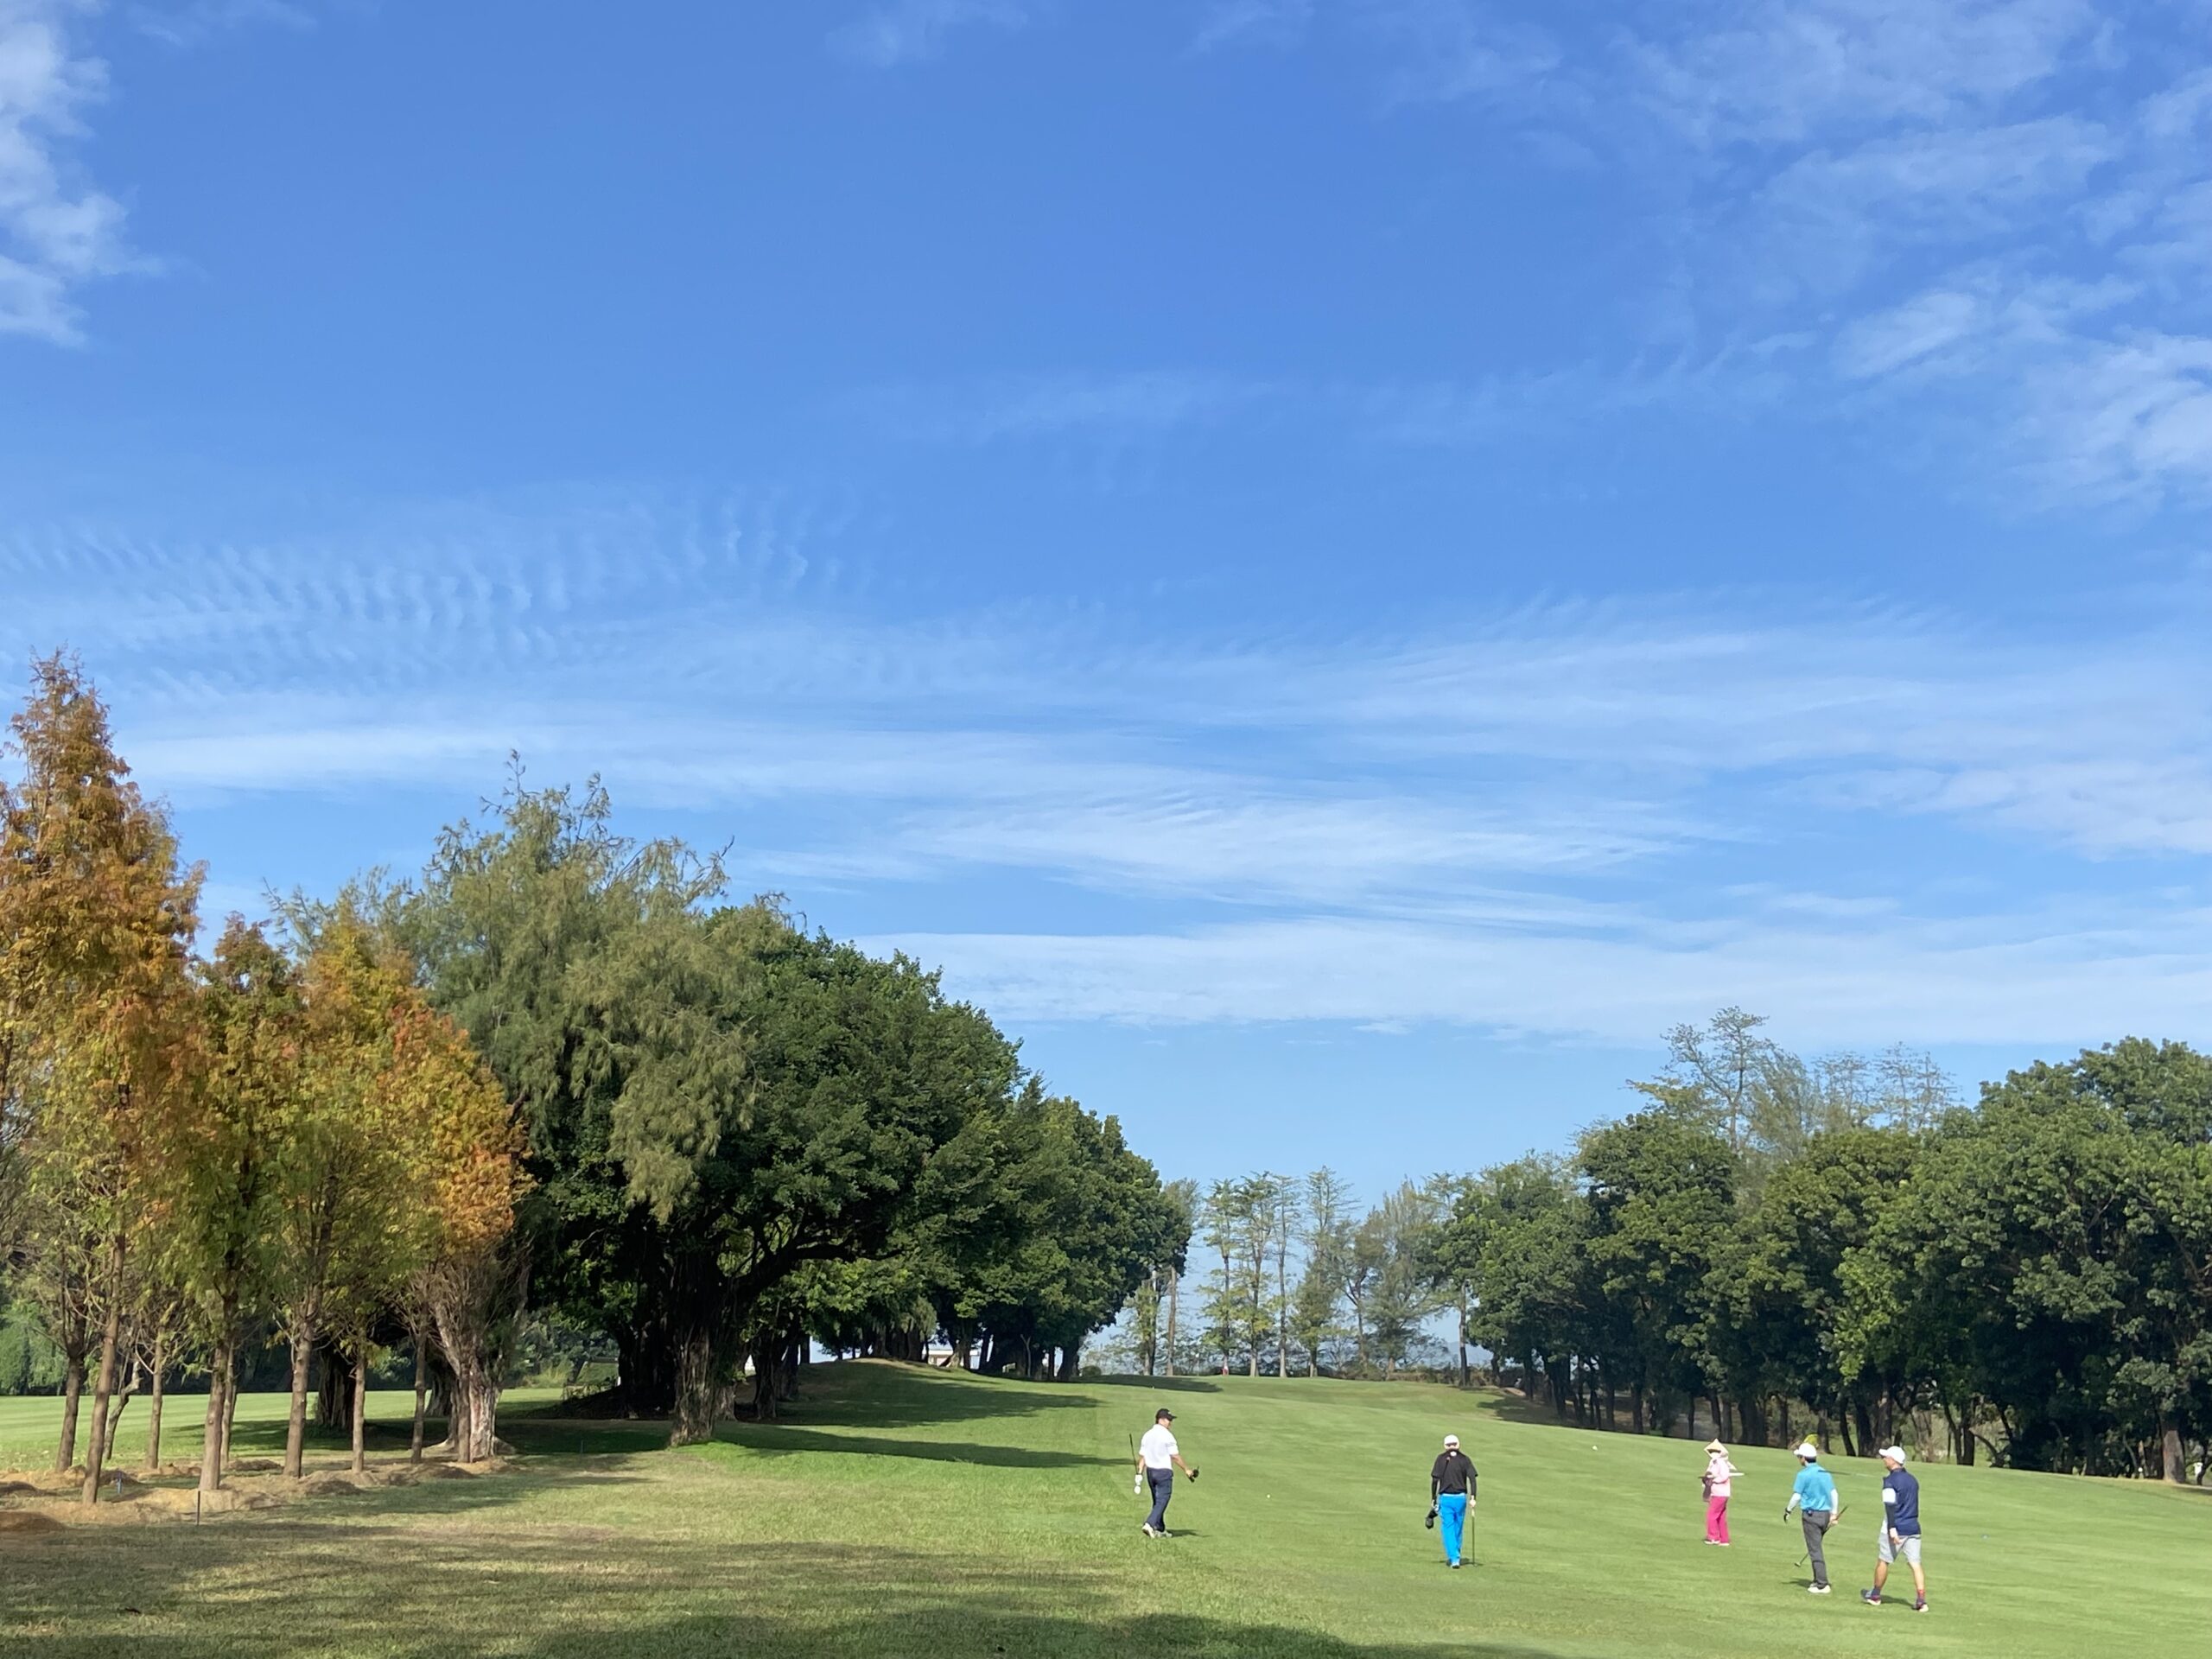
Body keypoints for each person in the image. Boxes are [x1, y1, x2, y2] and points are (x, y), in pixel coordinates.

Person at [1863, 1446, 1927, 1613]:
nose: (1884, 1459)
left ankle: (1875, 1595)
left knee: (1883, 1561)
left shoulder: (1889, 1481)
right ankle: (1921, 1599)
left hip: (1895, 1528)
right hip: (1913, 1527)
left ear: (1893, 1461)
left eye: (1886, 1457)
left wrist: (1892, 1528)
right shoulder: (1913, 1480)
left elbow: (1890, 1506)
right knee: (1915, 1563)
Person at [1783, 1441, 1839, 1594]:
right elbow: (1834, 1494)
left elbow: (1796, 1496)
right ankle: (1817, 1580)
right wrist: (1834, 1513)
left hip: (1811, 1516)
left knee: (1815, 1550)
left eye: (1799, 1457)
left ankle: (1822, 1583)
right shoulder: (1824, 1473)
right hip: (1826, 1515)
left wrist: (1788, 1510)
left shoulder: (1803, 1475)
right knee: (1816, 1548)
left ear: (1803, 1458)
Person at [1135, 1408, 1196, 1538]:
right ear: (1160, 1420)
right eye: (1169, 1420)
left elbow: (1143, 1457)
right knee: (1163, 1500)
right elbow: (1175, 1456)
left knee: (1157, 1501)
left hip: (1151, 1473)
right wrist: (1186, 1469)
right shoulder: (1167, 1435)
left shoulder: (1147, 1435)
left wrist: (1139, 1473)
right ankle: (1150, 1524)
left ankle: (1160, 1528)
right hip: (1163, 1473)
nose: (1170, 1423)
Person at [1429, 1433, 1478, 1569]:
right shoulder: (1465, 1459)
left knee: (1448, 1527)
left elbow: (1435, 1480)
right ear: (1458, 1445)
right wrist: (1473, 1497)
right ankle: (1456, 1552)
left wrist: (1433, 1498)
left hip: (1446, 1498)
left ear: (1445, 1446)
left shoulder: (1440, 1459)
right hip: (1461, 1498)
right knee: (1458, 1527)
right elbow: (1473, 1479)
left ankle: (1454, 1557)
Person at [1701, 1440, 1742, 1546]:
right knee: (1721, 1516)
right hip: (1718, 1493)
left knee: (1711, 1515)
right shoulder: (1714, 1462)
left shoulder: (1721, 1463)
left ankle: (1713, 1537)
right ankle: (1724, 1539)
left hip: (1720, 1493)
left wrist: (1713, 1480)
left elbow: (1724, 1476)